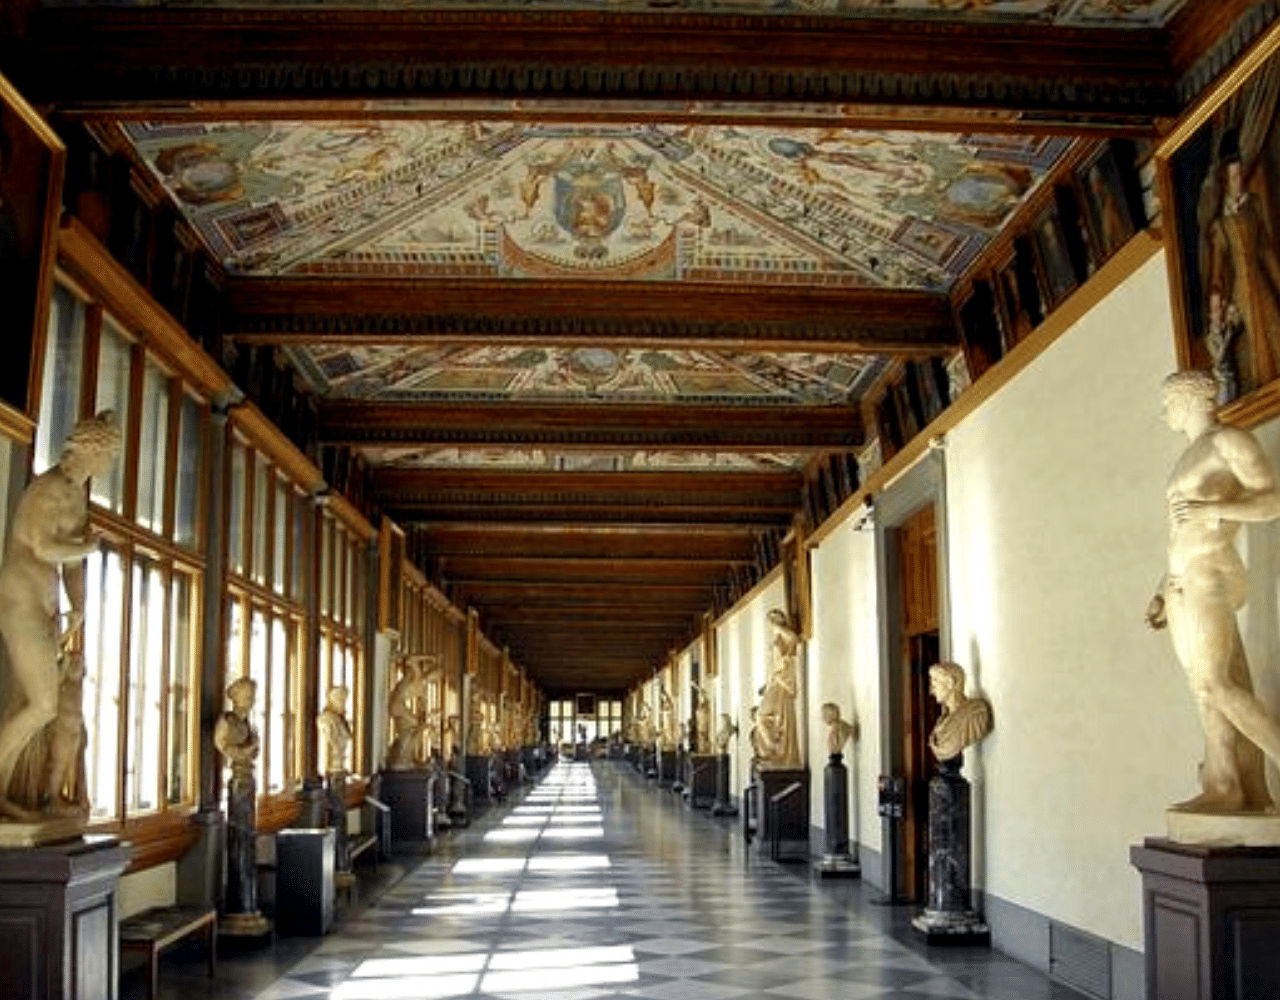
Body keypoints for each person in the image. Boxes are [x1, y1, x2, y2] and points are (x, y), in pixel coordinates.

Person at [1146, 369, 1280, 812]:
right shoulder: (1186, 456)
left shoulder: (1229, 442)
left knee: (1218, 683)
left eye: (1170, 402)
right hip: (1182, 581)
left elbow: (1273, 500)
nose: (1165, 412)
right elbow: (1176, 530)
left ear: (1191, 399)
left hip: (1211, 572)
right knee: (1207, 689)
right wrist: (1162, 587)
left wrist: (1216, 507)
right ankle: (1233, 787)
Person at [0, 411, 120, 819]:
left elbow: (69, 566)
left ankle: (20, 791)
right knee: (42, 705)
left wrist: (80, 604)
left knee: (37, 704)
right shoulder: (49, 488)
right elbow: (43, 548)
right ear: (94, 450)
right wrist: (88, 548)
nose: (112, 462)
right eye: (112, 453)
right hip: (22, 601)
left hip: (46, 604)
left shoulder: (77, 494)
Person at [757, 608, 802, 767]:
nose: (772, 622)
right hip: (775, 680)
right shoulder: (777, 635)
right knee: (764, 717)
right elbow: (774, 664)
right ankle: (775, 749)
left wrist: (780, 628)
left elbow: (794, 638)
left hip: (782, 681)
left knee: (762, 716)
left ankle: (777, 750)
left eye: (775, 618)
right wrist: (767, 684)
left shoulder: (783, 633)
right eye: (771, 619)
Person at [926, 662, 992, 762]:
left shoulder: (975, 712)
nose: (931, 691)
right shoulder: (942, 721)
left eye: (935, 684)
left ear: (950, 683)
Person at [214, 676, 261, 786]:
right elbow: (222, 744)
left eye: (253, 697)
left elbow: (254, 752)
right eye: (248, 697)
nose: (252, 701)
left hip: (247, 775)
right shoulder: (226, 722)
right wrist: (247, 750)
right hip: (237, 779)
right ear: (236, 697)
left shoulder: (248, 724)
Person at [317, 685, 352, 775]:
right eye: (340, 700)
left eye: (344, 701)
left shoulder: (341, 719)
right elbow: (332, 742)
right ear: (331, 700)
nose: (343, 704)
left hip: (340, 765)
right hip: (330, 766)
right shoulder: (325, 719)